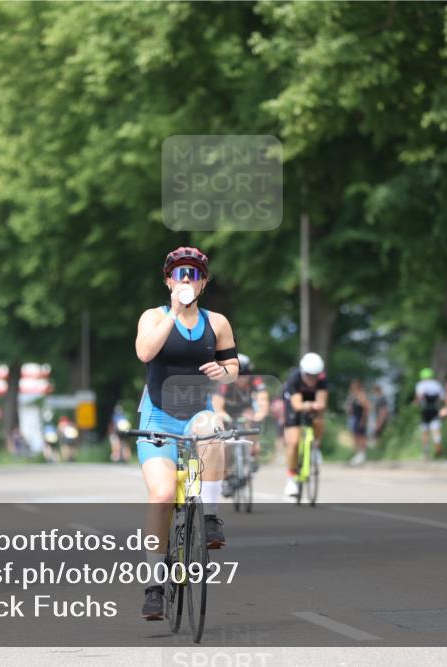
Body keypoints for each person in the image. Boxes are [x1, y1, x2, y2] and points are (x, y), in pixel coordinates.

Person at [134, 247, 238, 620]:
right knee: (162, 495)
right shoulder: (154, 316)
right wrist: (175, 314)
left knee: (214, 429)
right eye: (179, 273)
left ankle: (209, 517)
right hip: (159, 418)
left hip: (197, 414)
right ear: (168, 280)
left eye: (194, 274)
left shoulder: (218, 322)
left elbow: (232, 365)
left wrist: (223, 373)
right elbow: (145, 352)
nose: (186, 280)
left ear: (204, 282)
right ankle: (154, 585)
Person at [212, 354, 269, 495]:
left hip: (245, 410)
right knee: (225, 445)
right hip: (227, 412)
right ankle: (226, 478)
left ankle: (253, 454)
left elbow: (263, 401)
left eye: (246, 374)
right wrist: (226, 418)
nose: (243, 378)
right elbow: (217, 407)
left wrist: (260, 414)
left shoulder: (255, 381)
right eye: (240, 374)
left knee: (252, 420)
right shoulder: (224, 382)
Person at [282, 352, 328, 497]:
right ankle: (291, 478)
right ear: (303, 372)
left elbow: (322, 401)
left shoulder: (322, 378)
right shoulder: (294, 378)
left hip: (311, 401)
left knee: (319, 419)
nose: (313, 379)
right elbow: (296, 405)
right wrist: (308, 405)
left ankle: (316, 447)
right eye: (309, 375)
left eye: (316, 376)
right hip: (295, 402)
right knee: (293, 442)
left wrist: (317, 407)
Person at [414, 369, 444, 459]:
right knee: (436, 430)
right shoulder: (437, 384)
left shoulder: (420, 385)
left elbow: (420, 397)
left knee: (425, 431)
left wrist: (416, 403)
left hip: (425, 410)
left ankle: (426, 453)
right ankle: (438, 449)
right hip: (435, 409)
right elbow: (441, 398)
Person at [345, 379, 371, 465]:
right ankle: (357, 454)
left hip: (360, 418)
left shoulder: (361, 396)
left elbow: (367, 408)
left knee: (361, 437)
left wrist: (363, 420)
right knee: (355, 436)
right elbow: (350, 408)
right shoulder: (353, 396)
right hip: (354, 418)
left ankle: (362, 454)